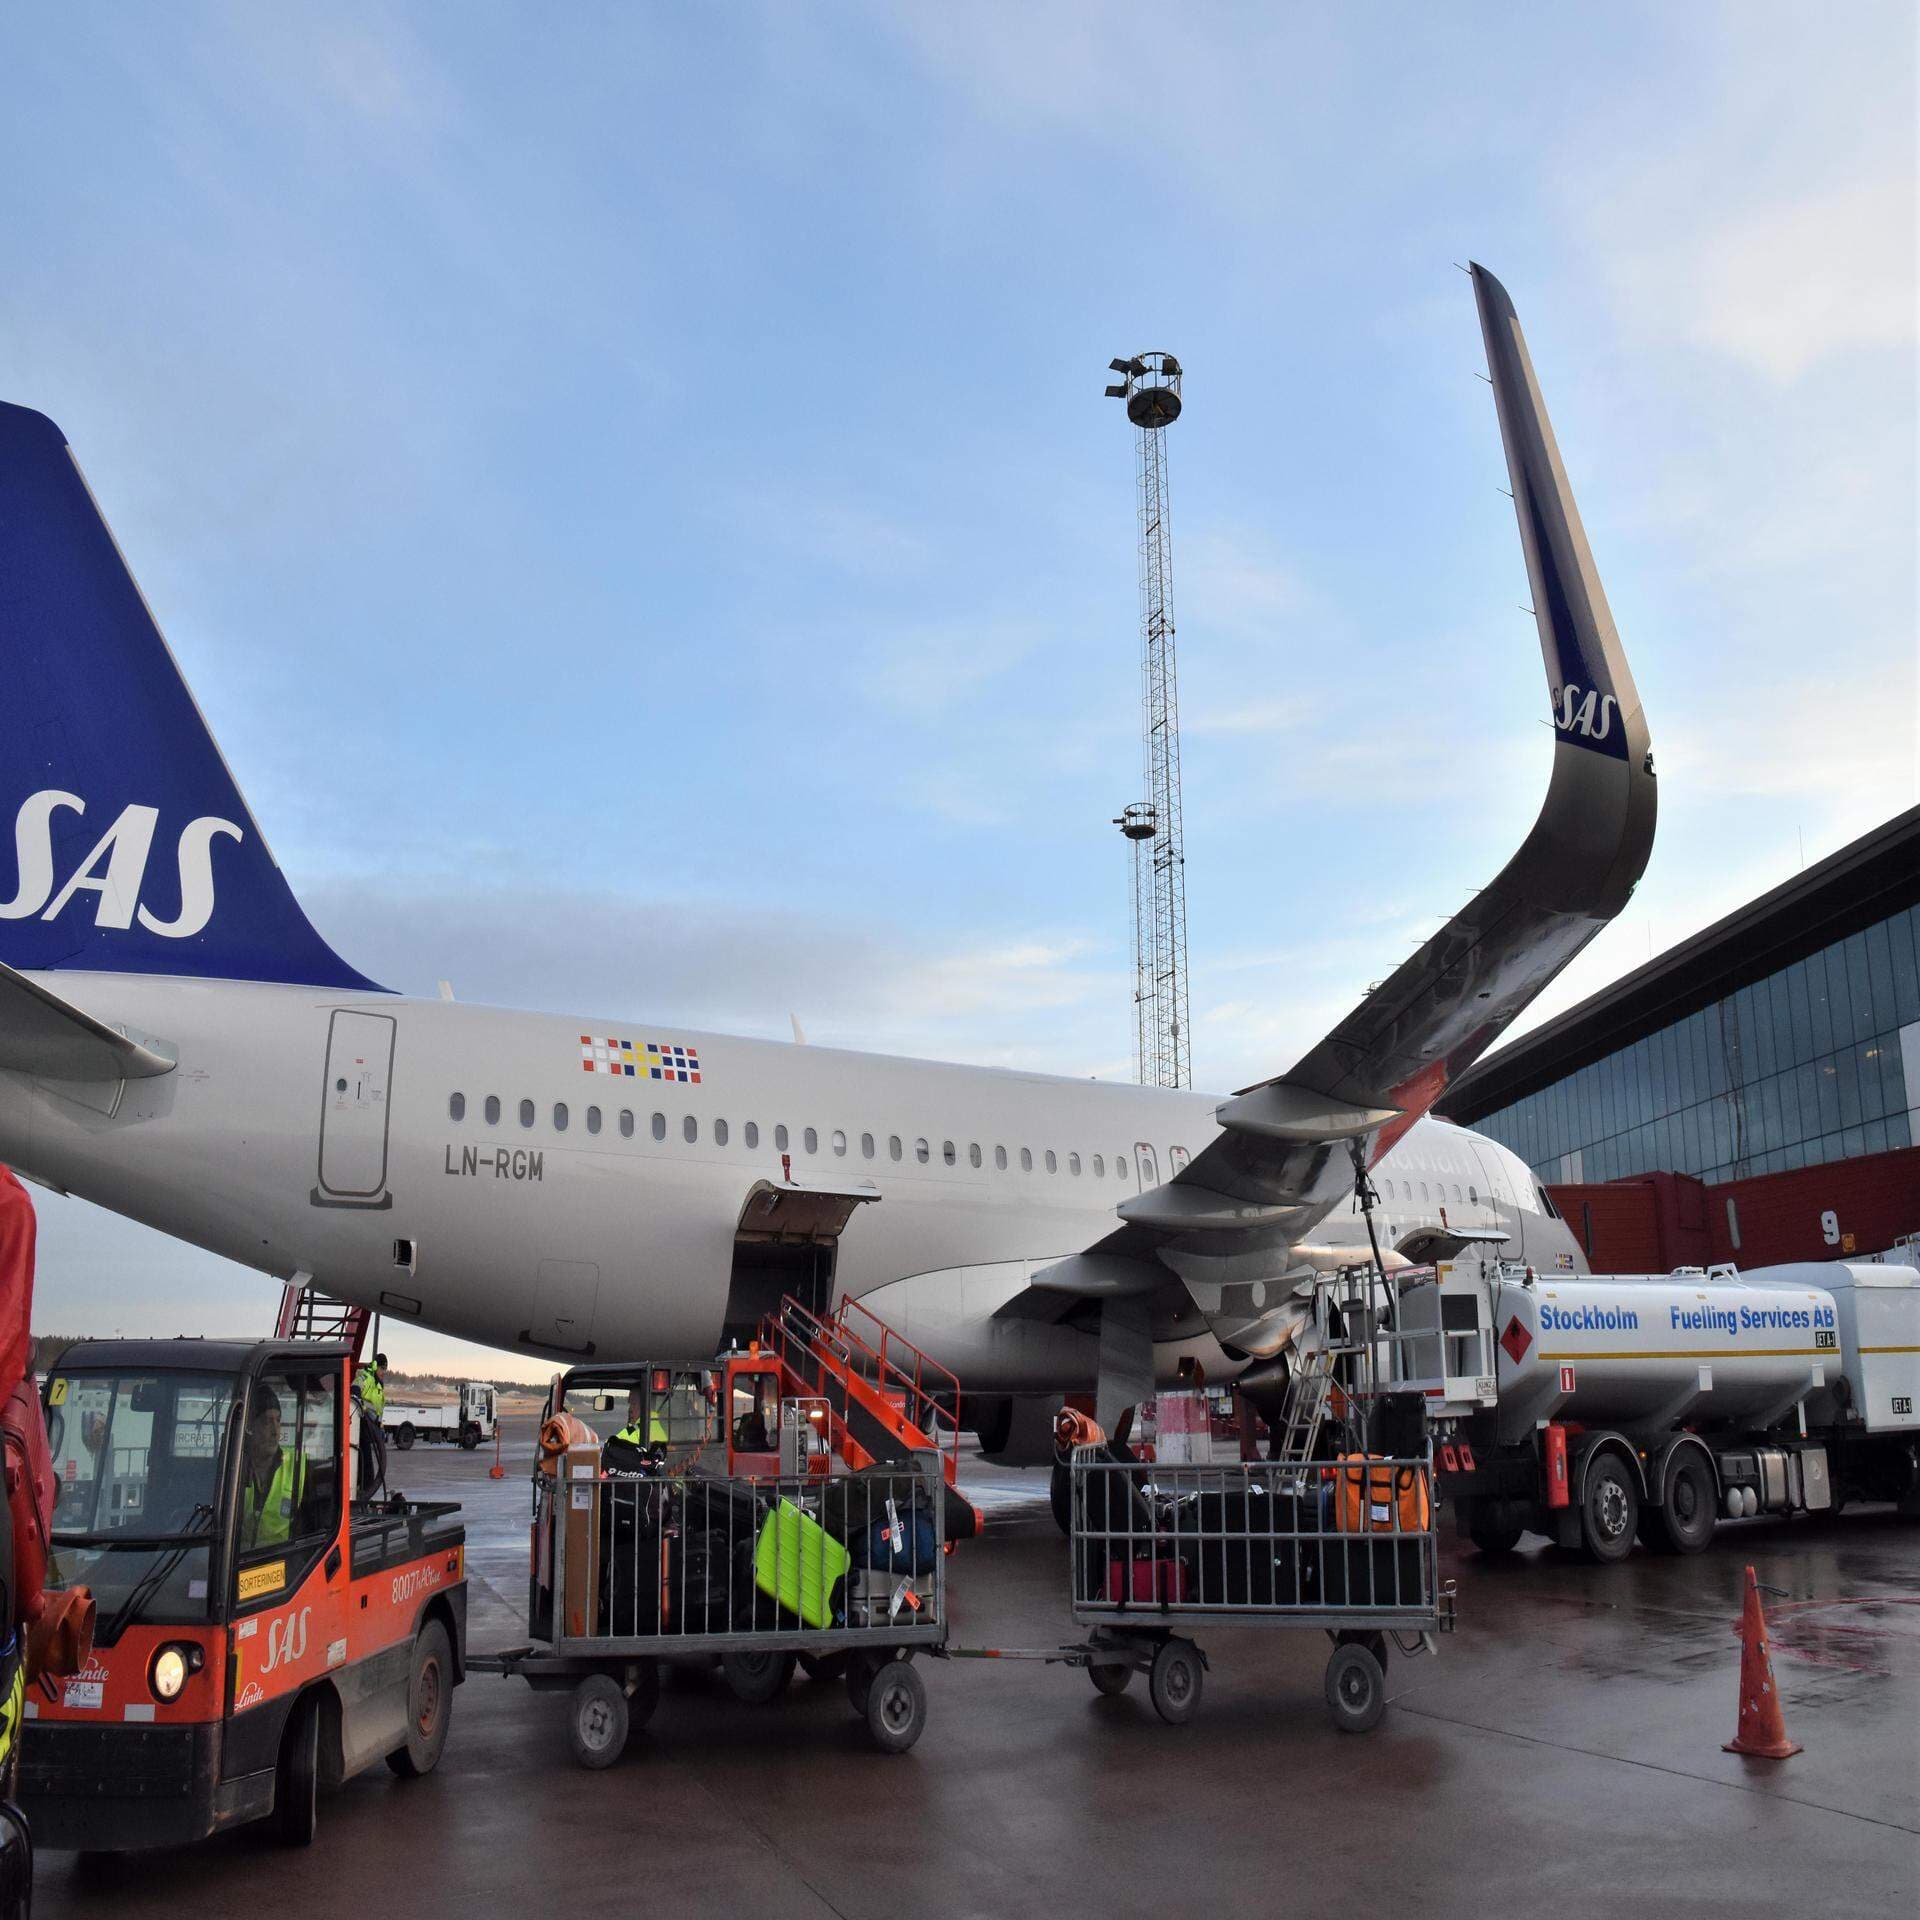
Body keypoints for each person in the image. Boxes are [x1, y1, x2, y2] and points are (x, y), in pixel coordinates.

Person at [239, 1397, 307, 1551]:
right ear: (250, 1427)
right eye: (267, 1422)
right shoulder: (236, 1465)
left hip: (284, 1563)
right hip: (238, 1561)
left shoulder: (298, 1465)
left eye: (278, 1421)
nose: (275, 1432)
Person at [601, 1387, 667, 1475]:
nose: (630, 1409)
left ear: (645, 1406)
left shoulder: (643, 1427)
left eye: (634, 1404)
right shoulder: (649, 1424)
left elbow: (614, 1445)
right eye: (630, 1404)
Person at [353, 1353, 387, 1421]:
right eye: (382, 1368)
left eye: (385, 1369)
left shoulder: (379, 1388)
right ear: (375, 1366)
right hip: (361, 1425)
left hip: (373, 1427)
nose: (384, 1372)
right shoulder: (363, 1378)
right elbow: (354, 1394)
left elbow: (379, 1412)